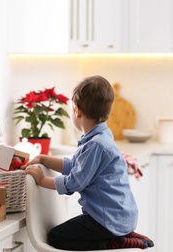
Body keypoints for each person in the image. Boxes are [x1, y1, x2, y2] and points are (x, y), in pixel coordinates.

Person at [22, 75, 154, 250]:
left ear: (77, 111)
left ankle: (112, 241)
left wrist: (41, 180)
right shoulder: (100, 137)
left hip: (106, 220)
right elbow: (75, 166)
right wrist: (44, 159)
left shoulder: (96, 145)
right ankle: (122, 234)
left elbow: (74, 182)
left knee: (55, 238)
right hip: (118, 216)